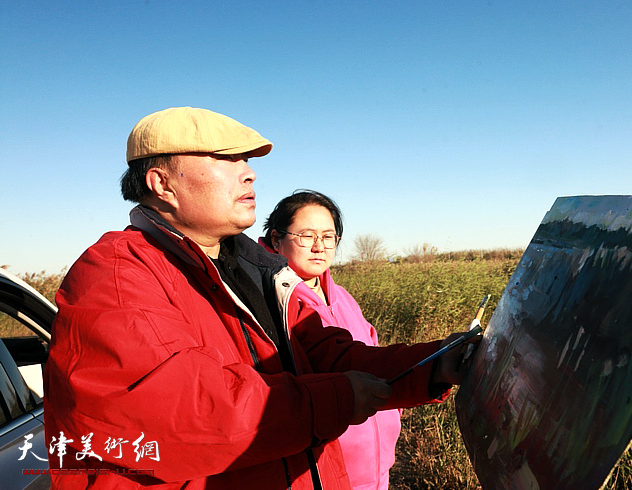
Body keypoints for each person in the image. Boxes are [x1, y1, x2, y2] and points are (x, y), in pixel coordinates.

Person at [43, 106, 470, 490]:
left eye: (246, 161)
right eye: (226, 161)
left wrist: (433, 365)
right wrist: (336, 399)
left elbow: (331, 357)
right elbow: (185, 411)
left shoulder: (259, 271)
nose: (249, 174)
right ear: (162, 184)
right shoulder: (117, 274)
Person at [261, 190, 399, 490]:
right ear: (275, 239)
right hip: (321, 473)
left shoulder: (342, 297)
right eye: (306, 235)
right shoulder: (269, 303)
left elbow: (370, 356)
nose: (319, 247)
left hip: (375, 470)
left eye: (328, 236)